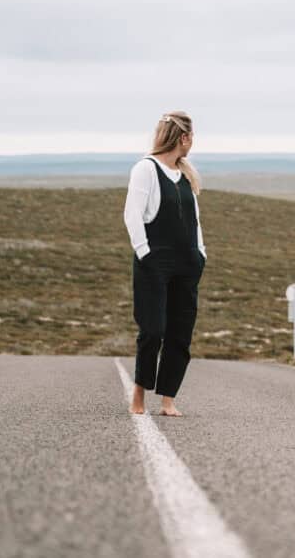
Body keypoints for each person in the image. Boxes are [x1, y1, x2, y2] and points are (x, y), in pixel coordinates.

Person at [123, 111, 207, 416]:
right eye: (192, 137)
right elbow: (133, 214)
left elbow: (195, 220)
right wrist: (145, 253)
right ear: (182, 138)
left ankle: (168, 399)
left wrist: (201, 254)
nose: (193, 143)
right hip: (154, 262)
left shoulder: (186, 173)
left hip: (187, 265)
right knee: (153, 330)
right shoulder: (145, 169)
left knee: (180, 333)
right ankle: (139, 396)